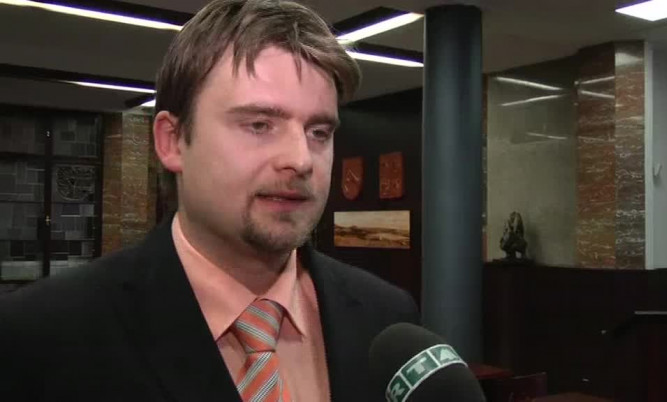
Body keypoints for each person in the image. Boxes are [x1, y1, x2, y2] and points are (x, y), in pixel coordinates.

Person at [0, 1, 420, 401]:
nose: (301, 159)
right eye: (259, 125)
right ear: (172, 142)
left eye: (319, 133)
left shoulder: (386, 318)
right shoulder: (44, 336)